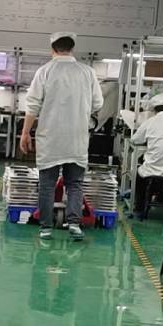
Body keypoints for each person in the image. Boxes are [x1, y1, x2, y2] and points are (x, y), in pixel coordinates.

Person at [19, 31, 104, 239]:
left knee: (47, 185)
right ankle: (74, 224)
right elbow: (98, 103)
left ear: (53, 49)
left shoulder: (45, 71)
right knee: (74, 184)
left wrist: (25, 132)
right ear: (72, 48)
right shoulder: (87, 72)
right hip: (77, 138)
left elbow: (32, 105)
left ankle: (46, 227)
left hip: (51, 138)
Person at [130, 93, 163, 220]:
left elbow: (134, 140)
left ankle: (139, 208)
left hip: (152, 171)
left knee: (139, 174)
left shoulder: (150, 122)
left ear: (154, 109)